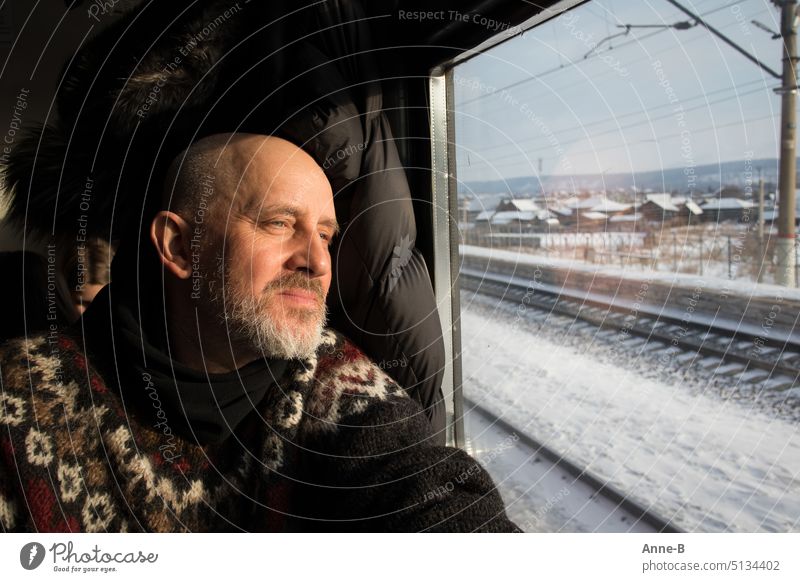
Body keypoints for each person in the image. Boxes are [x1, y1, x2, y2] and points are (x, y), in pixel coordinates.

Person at [0, 133, 519, 532]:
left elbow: (425, 490)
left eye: (324, 235)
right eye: (278, 223)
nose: (317, 261)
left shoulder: (339, 383)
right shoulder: (21, 399)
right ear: (180, 247)